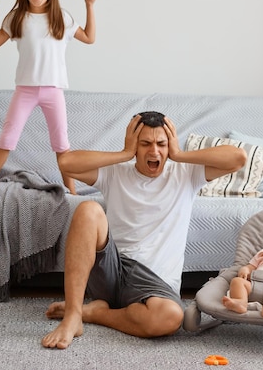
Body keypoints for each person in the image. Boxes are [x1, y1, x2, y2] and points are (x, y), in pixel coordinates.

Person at [41, 111, 247, 349]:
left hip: (154, 282)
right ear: (135, 147)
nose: (154, 151)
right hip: (113, 268)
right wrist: (123, 154)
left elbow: (238, 158)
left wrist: (179, 154)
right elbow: (66, 163)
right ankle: (73, 316)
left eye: (161, 144)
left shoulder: (187, 174)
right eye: (145, 143)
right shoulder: (115, 172)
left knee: (171, 317)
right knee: (88, 209)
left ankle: (94, 314)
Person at [0, 0, 96, 194]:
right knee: (6, 139)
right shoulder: (17, 18)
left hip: (54, 90)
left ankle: (72, 192)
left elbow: (90, 37)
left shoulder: (62, 17)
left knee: (61, 144)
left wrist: (89, 6)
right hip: (25, 90)